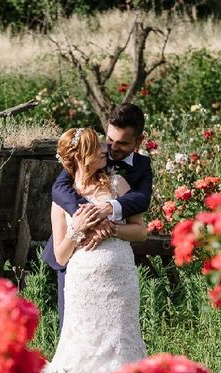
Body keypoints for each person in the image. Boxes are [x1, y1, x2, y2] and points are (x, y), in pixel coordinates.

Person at [37, 127, 148, 373]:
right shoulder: (63, 198)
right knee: (84, 344)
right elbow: (60, 254)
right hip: (83, 283)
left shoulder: (118, 184)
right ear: (81, 157)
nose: (106, 150)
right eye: (98, 148)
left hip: (120, 281)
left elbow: (140, 232)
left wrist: (112, 229)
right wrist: (79, 230)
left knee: (119, 341)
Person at [42, 103, 153, 333]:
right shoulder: (88, 151)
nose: (111, 149)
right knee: (73, 331)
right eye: (110, 140)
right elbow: (59, 189)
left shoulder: (139, 168)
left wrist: (108, 211)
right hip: (77, 265)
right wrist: (90, 219)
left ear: (138, 141)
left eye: (122, 143)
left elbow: (141, 200)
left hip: (117, 275)